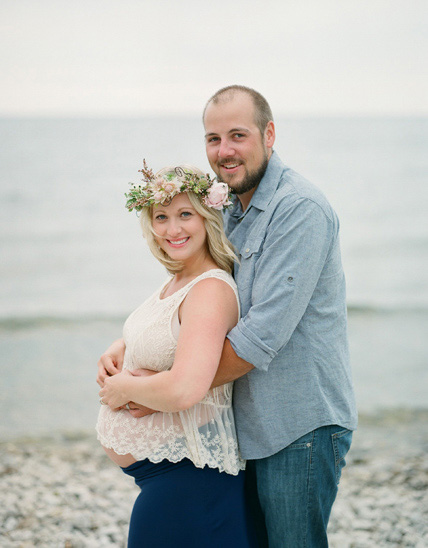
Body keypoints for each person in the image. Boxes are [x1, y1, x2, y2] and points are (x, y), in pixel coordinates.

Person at [102, 86, 357, 547]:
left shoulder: (299, 209)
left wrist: (158, 387)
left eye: (237, 135)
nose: (224, 151)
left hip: (297, 427)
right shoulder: (231, 210)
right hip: (248, 430)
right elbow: (198, 306)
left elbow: (260, 336)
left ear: (269, 134)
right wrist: (134, 346)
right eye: (213, 139)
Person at [96, 164, 254, 547]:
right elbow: (168, 337)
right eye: (161, 217)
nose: (173, 228)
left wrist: (122, 390)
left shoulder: (210, 289)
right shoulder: (179, 280)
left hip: (188, 481)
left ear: (207, 217)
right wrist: (122, 350)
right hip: (170, 479)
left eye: (186, 214)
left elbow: (185, 388)